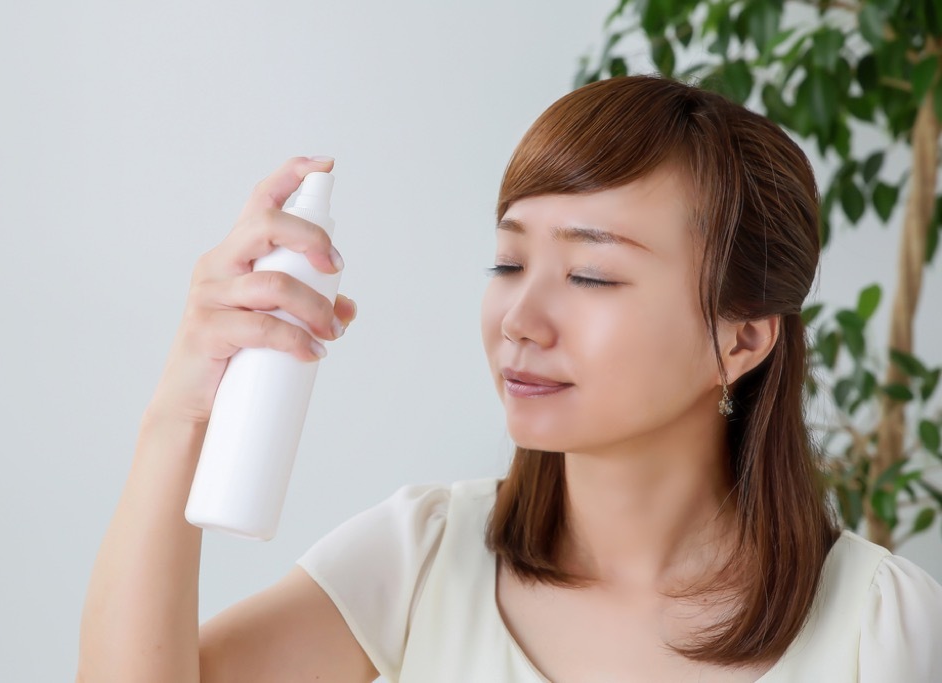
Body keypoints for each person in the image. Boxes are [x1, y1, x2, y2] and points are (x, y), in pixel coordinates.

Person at [76, 75, 942, 682]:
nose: (519, 318)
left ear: (742, 339)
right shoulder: (420, 558)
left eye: (592, 275)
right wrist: (181, 411)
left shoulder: (882, 625)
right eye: (507, 261)